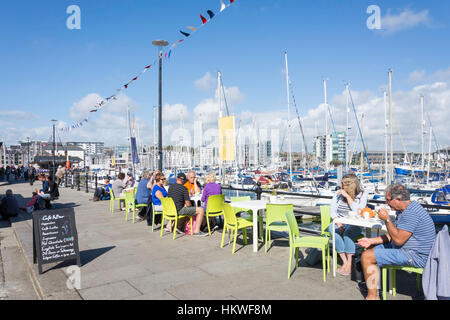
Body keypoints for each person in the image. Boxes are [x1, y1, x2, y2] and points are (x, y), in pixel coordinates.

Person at [358, 184, 436, 300]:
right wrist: (370, 241)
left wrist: (387, 219)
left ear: (398, 199)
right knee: (370, 251)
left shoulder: (411, 213)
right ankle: (373, 290)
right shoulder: (407, 209)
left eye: (388, 200)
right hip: (408, 249)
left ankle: (372, 297)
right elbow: (394, 234)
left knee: (367, 257)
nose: (386, 203)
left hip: (417, 255)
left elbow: (398, 240)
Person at [328, 173, 368, 276]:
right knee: (332, 229)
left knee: (348, 234)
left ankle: (349, 263)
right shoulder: (338, 194)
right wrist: (338, 223)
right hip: (340, 221)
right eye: (342, 184)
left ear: (351, 185)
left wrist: (347, 197)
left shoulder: (363, 194)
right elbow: (332, 211)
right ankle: (344, 261)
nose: (342, 187)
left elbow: (359, 211)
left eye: (344, 184)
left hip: (355, 223)